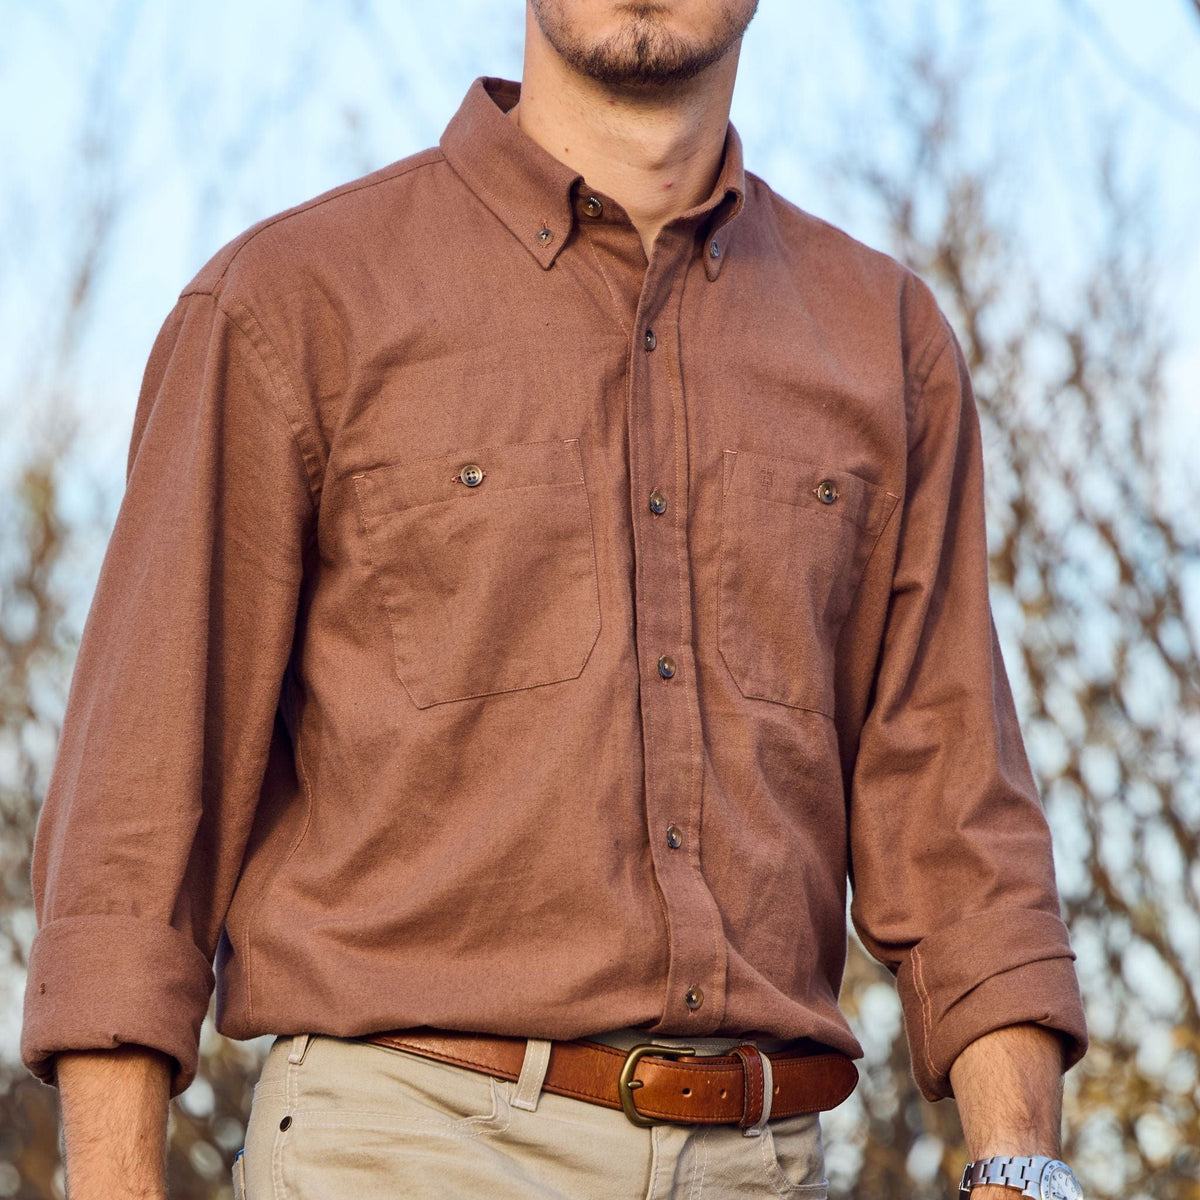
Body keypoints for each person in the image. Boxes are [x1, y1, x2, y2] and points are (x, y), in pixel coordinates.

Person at [21, 2, 1090, 1198]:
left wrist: (1022, 1168)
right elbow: (133, 829)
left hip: (766, 1161)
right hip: (405, 1153)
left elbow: (959, 824)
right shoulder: (290, 302)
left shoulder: (885, 338)